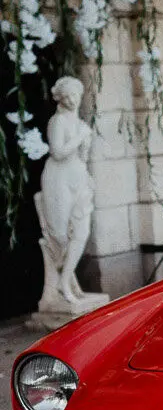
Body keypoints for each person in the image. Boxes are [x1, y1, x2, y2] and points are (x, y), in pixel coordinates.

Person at [40, 76, 94, 304]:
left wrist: (85, 144)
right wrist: (80, 137)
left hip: (78, 178)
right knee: (60, 235)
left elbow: (82, 157)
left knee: (81, 231)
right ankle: (63, 282)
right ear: (60, 98)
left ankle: (63, 282)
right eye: (68, 96)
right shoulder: (58, 122)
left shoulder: (80, 124)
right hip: (58, 179)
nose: (72, 100)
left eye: (76, 96)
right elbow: (58, 152)